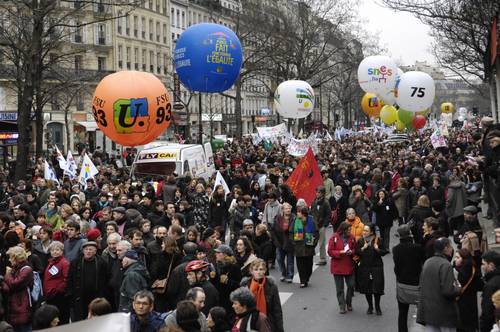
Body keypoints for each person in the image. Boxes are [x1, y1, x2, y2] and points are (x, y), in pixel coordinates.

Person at [417, 237, 460, 331]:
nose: (452, 249)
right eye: (450, 246)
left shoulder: (427, 262)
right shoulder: (446, 265)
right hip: (444, 313)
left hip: (428, 312)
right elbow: (448, 291)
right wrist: (458, 289)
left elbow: (421, 285)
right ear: (445, 248)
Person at [393, 224, 425, 332]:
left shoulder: (396, 249)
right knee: (422, 310)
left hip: (402, 283)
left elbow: (396, 267)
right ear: (410, 233)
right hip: (417, 283)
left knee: (402, 313)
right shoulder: (417, 248)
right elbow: (423, 262)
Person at [66, 241, 108, 322]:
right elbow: (70, 279)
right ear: (83, 251)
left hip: (95, 297)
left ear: (95, 251)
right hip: (79, 297)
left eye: (91, 249)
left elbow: (104, 280)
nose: (88, 251)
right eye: (86, 249)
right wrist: (70, 295)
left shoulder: (101, 263)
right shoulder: (76, 262)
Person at [240, 259, 283, 332]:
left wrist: (280, 329)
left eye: (261, 269)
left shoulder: (271, 286)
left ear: (265, 270)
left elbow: (277, 310)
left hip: (267, 322)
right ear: (251, 271)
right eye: (256, 269)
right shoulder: (245, 285)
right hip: (249, 322)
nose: (258, 272)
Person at [355, 223, 386, 315]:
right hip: (364, 267)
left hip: (377, 267)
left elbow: (384, 252)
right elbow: (356, 252)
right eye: (363, 230)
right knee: (367, 288)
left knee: (377, 288)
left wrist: (377, 249)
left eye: (366, 231)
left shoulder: (378, 240)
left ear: (371, 232)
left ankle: (377, 306)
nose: (364, 232)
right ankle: (370, 306)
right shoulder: (360, 241)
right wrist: (362, 249)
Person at [1, 246, 34, 332]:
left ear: (17, 258)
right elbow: (6, 288)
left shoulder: (27, 270)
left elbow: (14, 284)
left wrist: (7, 275)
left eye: (11, 257)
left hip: (22, 308)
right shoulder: (14, 270)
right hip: (12, 308)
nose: (9, 260)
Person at [328, 221, 356, 314]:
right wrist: (340, 252)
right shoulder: (334, 237)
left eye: (350, 229)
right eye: (348, 230)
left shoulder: (352, 237)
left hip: (349, 265)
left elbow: (355, 249)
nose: (350, 231)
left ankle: (349, 302)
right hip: (338, 266)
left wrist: (351, 252)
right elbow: (330, 251)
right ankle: (342, 306)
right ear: (343, 230)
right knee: (339, 288)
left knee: (351, 285)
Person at [454, 248, 482, 332]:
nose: (455, 259)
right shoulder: (473, 269)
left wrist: (455, 267)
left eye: (457, 257)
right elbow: (480, 286)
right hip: (471, 303)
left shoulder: (459, 271)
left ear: (464, 259)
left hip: (461, 303)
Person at [43, 241, 70, 325]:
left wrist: (57, 290)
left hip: (59, 296)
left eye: (57, 250)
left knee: (60, 319)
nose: (55, 251)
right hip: (50, 296)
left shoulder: (64, 263)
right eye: (53, 250)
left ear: (62, 251)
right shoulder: (51, 262)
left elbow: (67, 279)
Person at [212, 244, 241, 322]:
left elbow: (239, 285)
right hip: (220, 299)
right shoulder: (217, 265)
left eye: (218, 252)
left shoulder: (234, 266)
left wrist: (228, 281)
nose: (216, 254)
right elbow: (217, 284)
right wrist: (213, 278)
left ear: (225, 254)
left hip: (230, 300)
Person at [291, 206, 318, 288]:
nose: (297, 213)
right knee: (300, 265)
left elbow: (316, 233)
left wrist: (314, 244)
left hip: (309, 248)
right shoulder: (295, 221)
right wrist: (293, 243)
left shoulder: (312, 220)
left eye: (298, 212)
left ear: (303, 214)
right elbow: (291, 232)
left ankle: (306, 278)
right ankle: (303, 281)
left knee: (309, 266)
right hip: (298, 247)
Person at [273, 202, 295, 283]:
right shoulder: (278, 218)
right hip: (280, 242)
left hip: (290, 243)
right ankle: (283, 273)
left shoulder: (294, 218)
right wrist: (276, 241)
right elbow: (273, 230)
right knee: (279, 259)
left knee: (290, 261)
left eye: (289, 208)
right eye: (286, 208)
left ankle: (290, 275)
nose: (288, 210)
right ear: (282, 210)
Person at [480, 251, 500, 332]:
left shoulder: (491, 285)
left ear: (491, 265)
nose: (482, 267)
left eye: (483, 264)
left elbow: (487, 312)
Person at [311, 186, 331, 266]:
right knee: (311, 241)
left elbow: (328, 214)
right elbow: (311, 211)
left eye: (319, 192)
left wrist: (325, 224)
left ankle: (323, 259)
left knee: (322, 242)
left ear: (322, 193)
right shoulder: (314, 201)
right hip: (314, 224)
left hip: (321, 225)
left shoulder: (325, 202)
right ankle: (309, 257)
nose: (317, 194)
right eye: (316, 192)